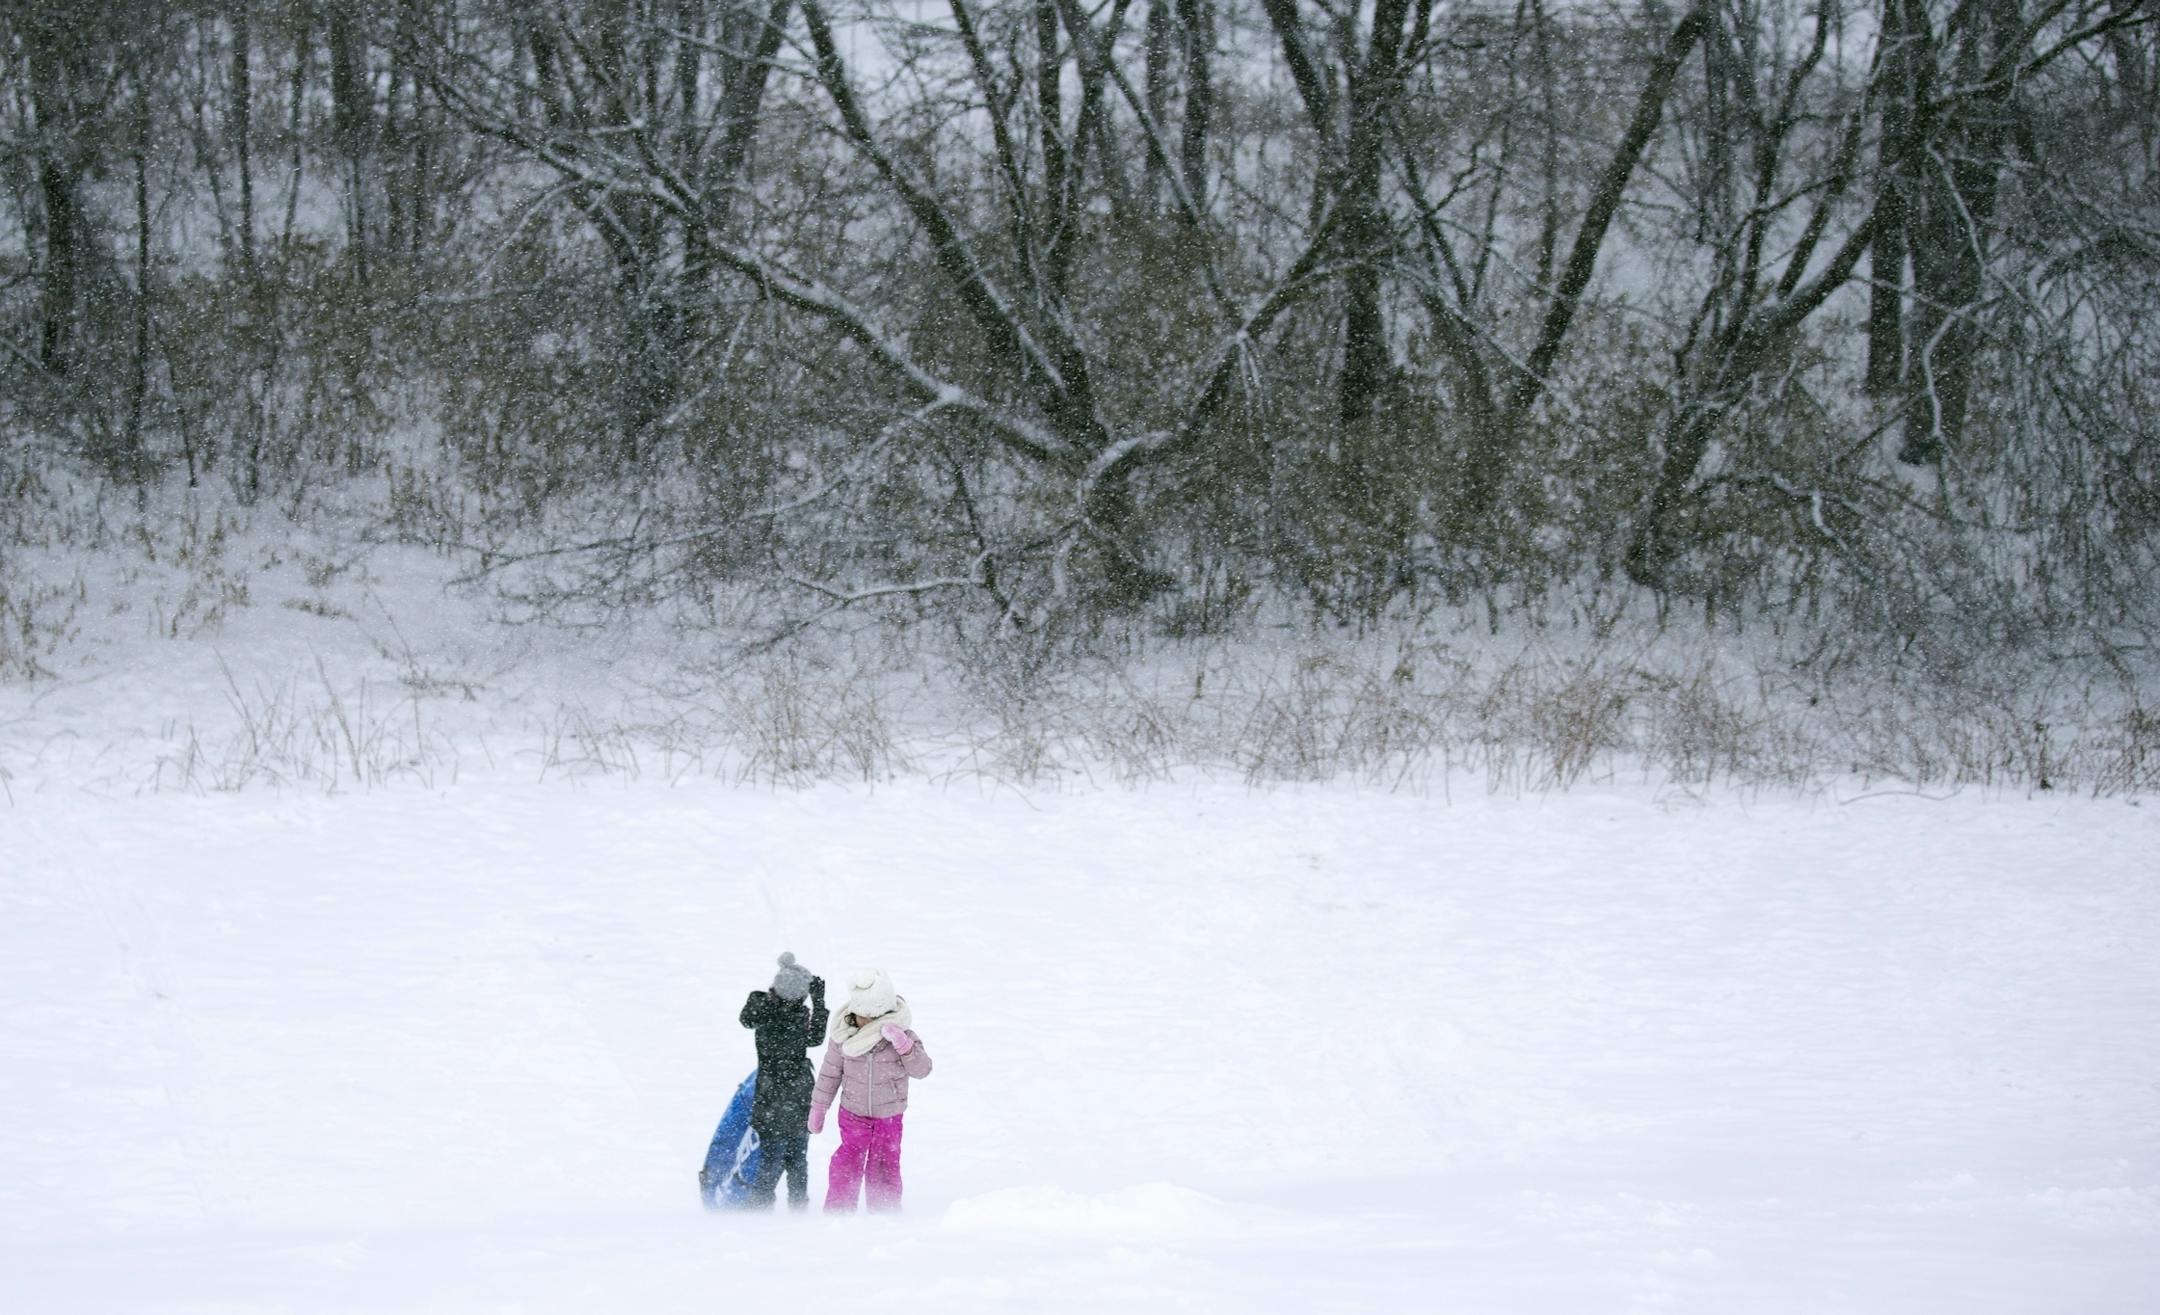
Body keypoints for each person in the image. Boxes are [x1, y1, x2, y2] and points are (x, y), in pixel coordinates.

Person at [807, 967, 931, 1213]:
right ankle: (838, 1212)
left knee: (885, 1164)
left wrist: (904, 1046)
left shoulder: (902, 1034)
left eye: (871, 1017)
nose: (864, 1021)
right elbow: (830, 1072)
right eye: (861, 1014)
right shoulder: (843, 1035)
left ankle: (884, 1213)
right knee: (847, 1162)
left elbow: (923, 1069)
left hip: (889, 1115)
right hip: (853, 1112)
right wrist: (819, 1106)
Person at [737, 953, 828, 1210]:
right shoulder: (798, 1017)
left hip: (770, 1095)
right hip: (798, 1093)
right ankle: (798, 1206)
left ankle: (760, 1204)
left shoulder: (764, 1012)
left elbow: (747, 1018)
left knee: (771, 1156)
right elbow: (815, 1039)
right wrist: (819, 1002)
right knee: (798, 1158)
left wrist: (771, 995)